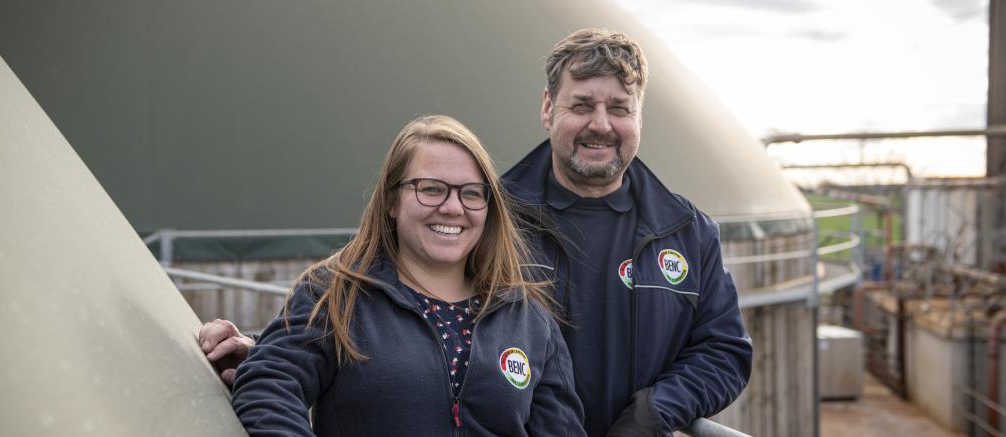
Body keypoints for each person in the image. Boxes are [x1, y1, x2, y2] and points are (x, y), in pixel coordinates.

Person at [202, 29, 752, 436]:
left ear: (639, 117)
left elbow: (725, 351)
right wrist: (275, 352)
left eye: (619, 109)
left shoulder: (685, 230)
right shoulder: (487, 212)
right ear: (547, 108)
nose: (600, 125)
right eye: (581, 105)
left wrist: (657, 412)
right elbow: (376, 308)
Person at [229, 115, 585, 436]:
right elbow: (268, 386)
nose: (452, 207)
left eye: (472, 194)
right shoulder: (333, 294)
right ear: (391, 200)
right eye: (431, 189)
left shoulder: (528, 320)